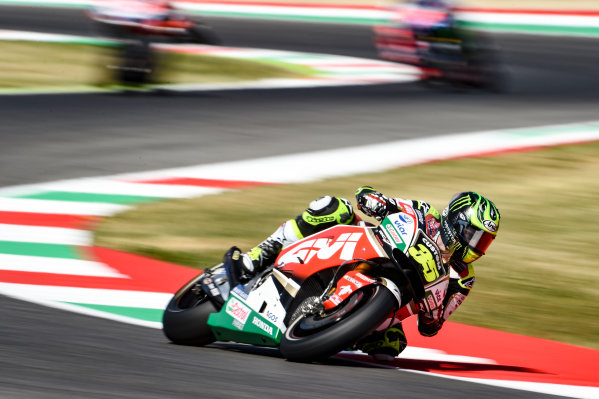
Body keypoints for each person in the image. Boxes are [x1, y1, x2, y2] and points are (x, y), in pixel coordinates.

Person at [239, 186, 500, 360]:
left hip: (395, 300)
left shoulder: (463, 278)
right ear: (456, 221)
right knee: (332, 206)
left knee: (392, 345)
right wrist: (374, 200)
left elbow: (431, 328)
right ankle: (262, 252)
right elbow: (381, 201)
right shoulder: (425, 212)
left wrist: (433, 313)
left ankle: (339, 331)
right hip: (371, 248)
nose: (476, 245)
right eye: (473, 235)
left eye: (484, 241)